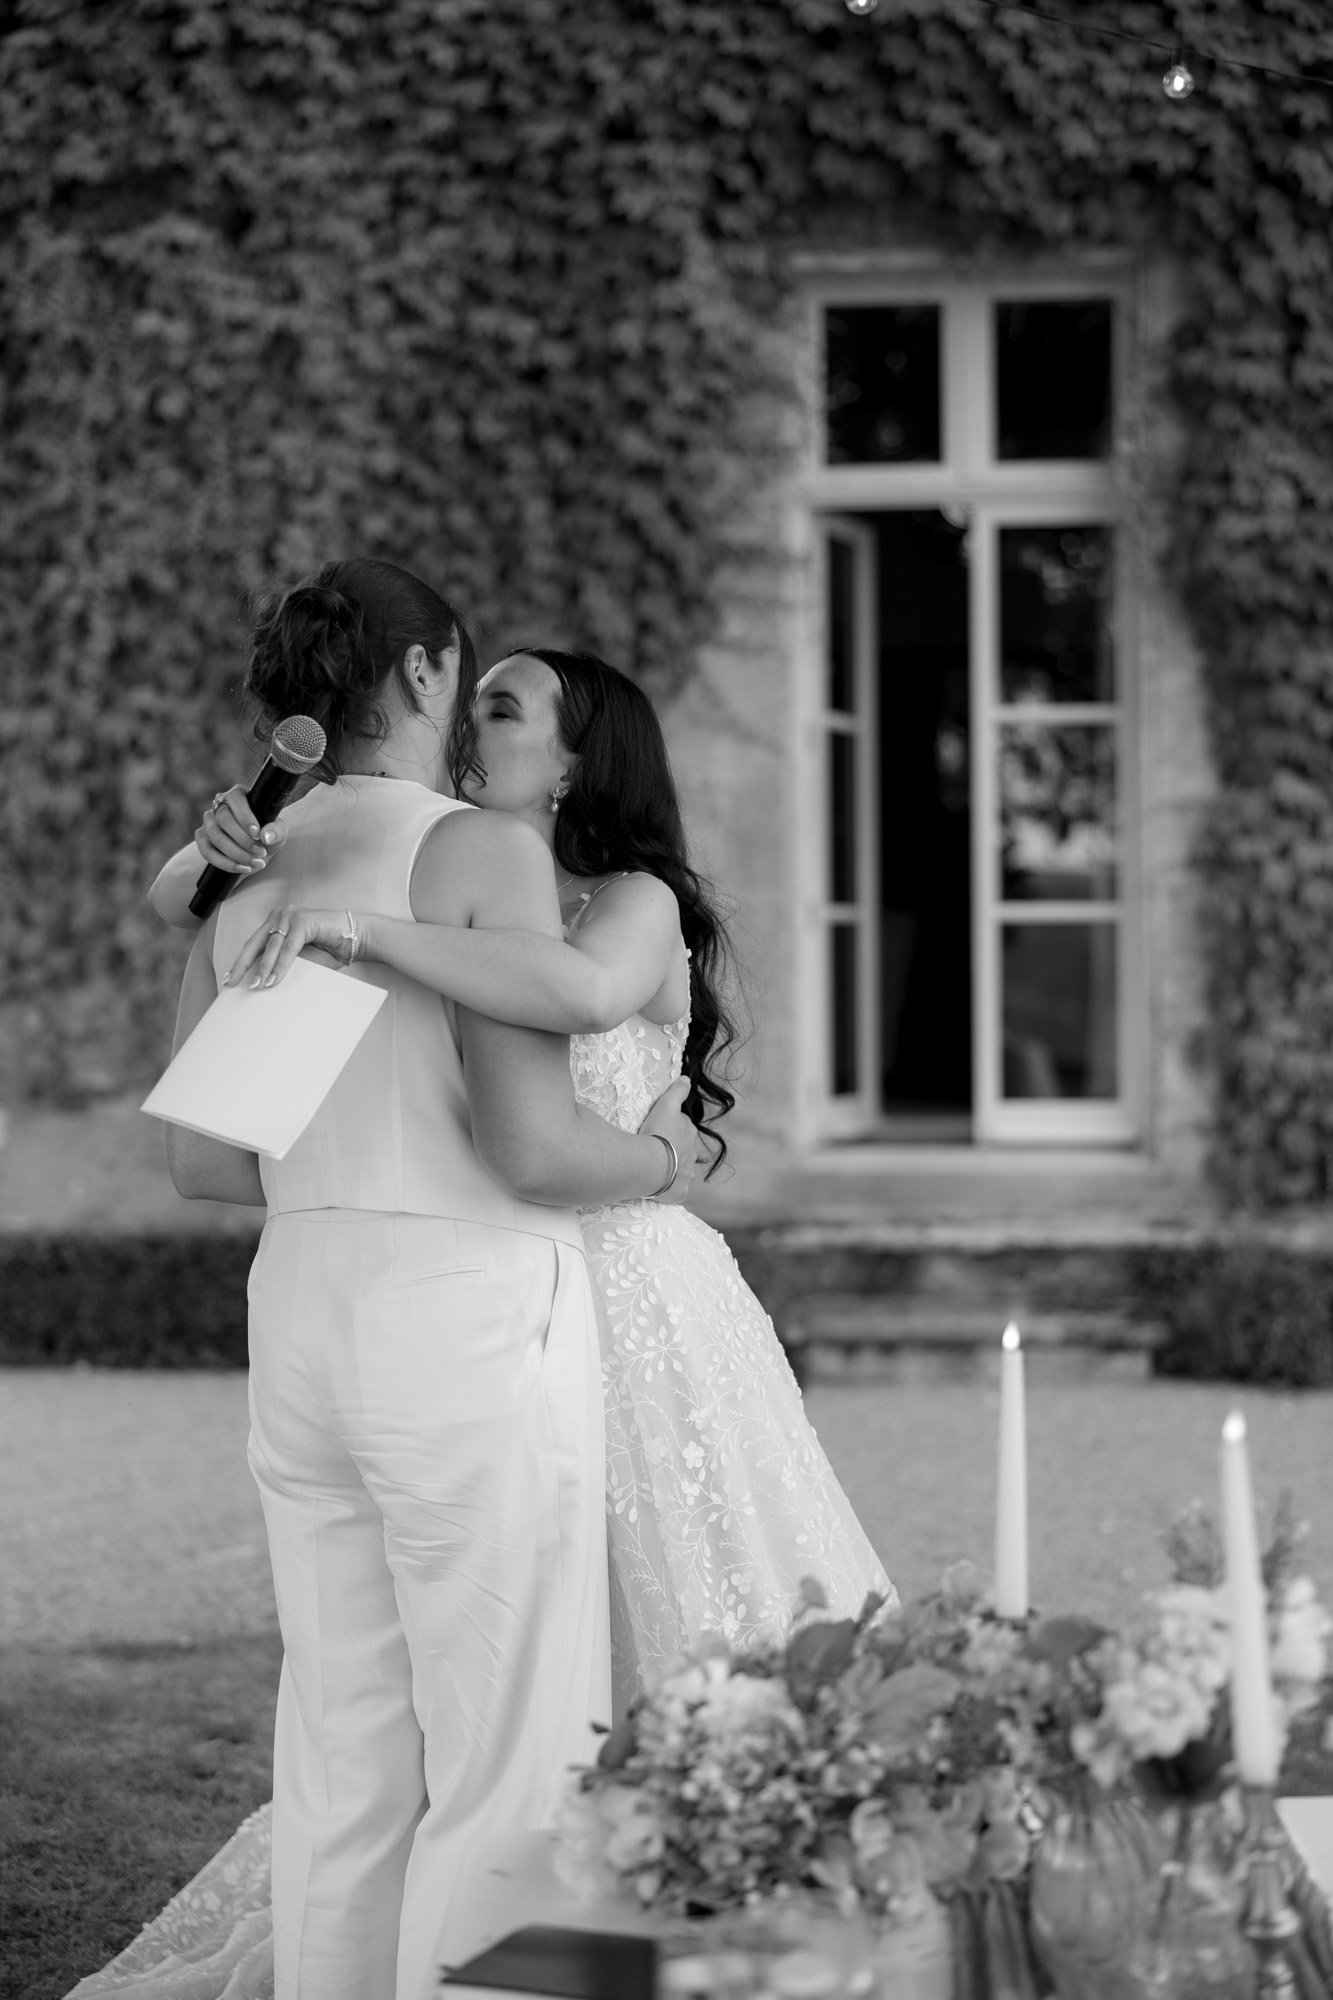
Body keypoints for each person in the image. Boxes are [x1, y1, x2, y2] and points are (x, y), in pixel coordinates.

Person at [77, 640, 893, 2000]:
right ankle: (496, 1942)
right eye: (477, 694)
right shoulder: (451, 872)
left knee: (660, 1622)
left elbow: (581, 999)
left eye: (508, 709)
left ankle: (675, 1918)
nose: (473, 723)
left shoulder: (628, 900)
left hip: (631, 1295)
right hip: (499, 1284)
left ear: (578, 761)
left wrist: (359, 931)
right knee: (495, 1673)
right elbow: (197, 930)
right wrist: (217, 860)